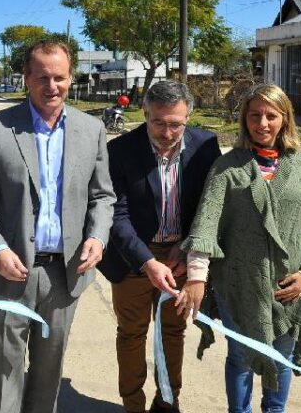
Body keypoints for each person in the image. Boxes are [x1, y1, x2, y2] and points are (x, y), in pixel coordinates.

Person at [0, 40, 115, 413]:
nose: (52, 86)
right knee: (3, 372)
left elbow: (103, 197)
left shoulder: (91, 129)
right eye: (42, 77)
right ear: (27, 78)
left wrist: (96, 236)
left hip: (66, 274)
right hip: (9, 272)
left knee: (49, 372)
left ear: (70, 78)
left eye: (60, 77)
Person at [177, 84, 301, 413]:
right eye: (255, 115)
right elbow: (205, 226)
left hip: (289, 286)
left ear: (285, 119)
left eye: (271, 115)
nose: (263, 123)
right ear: (245, 119)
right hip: (239, 285)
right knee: (240, 358)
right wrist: (197, 277)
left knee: (280, 359)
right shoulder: (228, 167)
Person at [98, 80, 221, 413]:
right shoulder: (120, 150)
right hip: (132, 257)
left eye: (176, 124)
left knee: (172, 331)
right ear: (145, 113)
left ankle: (168, 401)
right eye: (158, 122)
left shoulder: (205, 145)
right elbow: (116, 214)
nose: (167, 132)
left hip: (180, 257)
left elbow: (208, 206)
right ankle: (133, 405)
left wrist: (186, 243)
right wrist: (146, 261)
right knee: (132, 333)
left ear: (188, 118)